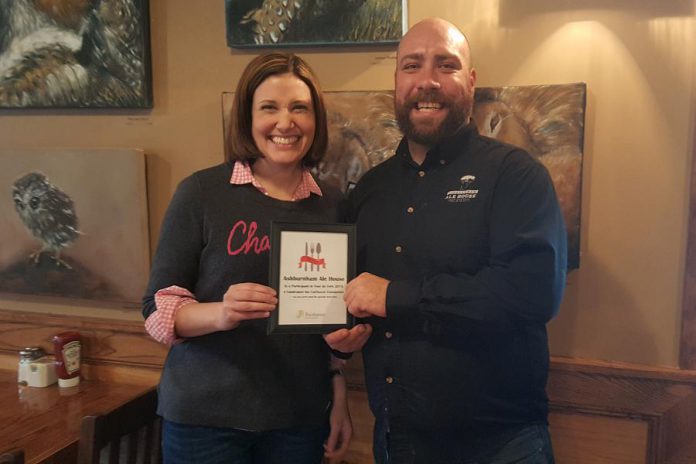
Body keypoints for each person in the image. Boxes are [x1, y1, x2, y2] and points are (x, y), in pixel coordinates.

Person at [343, 18, 567, 464]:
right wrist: (338, 336)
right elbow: (348, 294)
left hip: (502, 444)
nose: (427, 81)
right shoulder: (368, 190)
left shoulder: (515, 175)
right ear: (396, 81)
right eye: (412, 66)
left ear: (471, 80)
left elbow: (532, 292)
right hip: (398, 440)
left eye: (446, 65)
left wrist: (396, 297)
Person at [142, 52, 370, 464]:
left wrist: (340, 365)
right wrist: (221, 313)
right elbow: (157, 312)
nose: (286, 122)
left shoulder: (333, 205)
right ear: (247, 117)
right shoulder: (200, 193)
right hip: (204, 423)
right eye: (269, 107)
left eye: (299, 108)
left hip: (298, 420)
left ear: (315, 119)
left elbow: (331, 321)